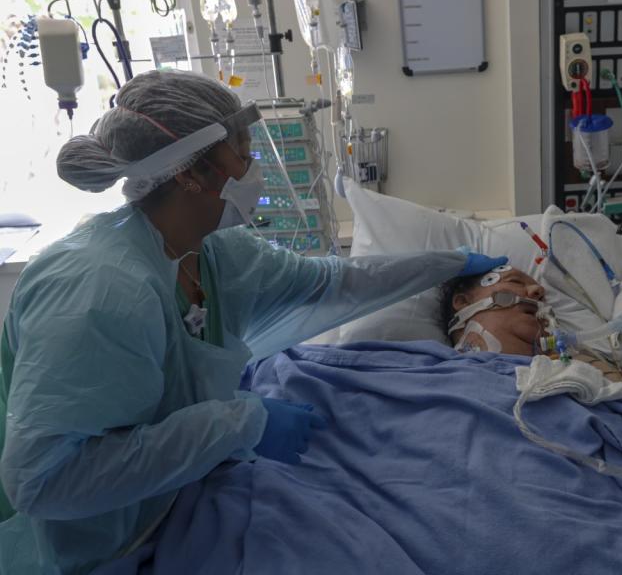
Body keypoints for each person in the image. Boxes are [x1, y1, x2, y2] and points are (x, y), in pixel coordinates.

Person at [0, 69, 506, 574]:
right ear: (188, 172)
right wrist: (235, 424)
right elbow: (44, 481)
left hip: (176, 503)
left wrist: (449, 263)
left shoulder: (218, 253)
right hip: (95, 549)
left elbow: (332, 283)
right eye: (242, 152)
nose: (254, 166)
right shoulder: (99, 293)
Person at [440, 267, 622, 383]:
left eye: (541, 292)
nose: (538, 290)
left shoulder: (580, 372)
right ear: (463, 303)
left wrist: (586, 364)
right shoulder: (426, 366)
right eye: (516, 281)